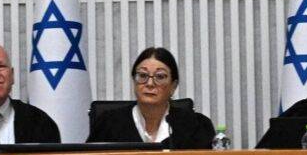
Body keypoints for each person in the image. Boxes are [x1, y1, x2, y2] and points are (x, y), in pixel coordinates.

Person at [87, 47, 216, 149]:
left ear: (173, 86)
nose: (149, 83)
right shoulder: (108, 124)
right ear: (134, 81)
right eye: (142, 75)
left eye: (160, 77)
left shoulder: (196, 126)